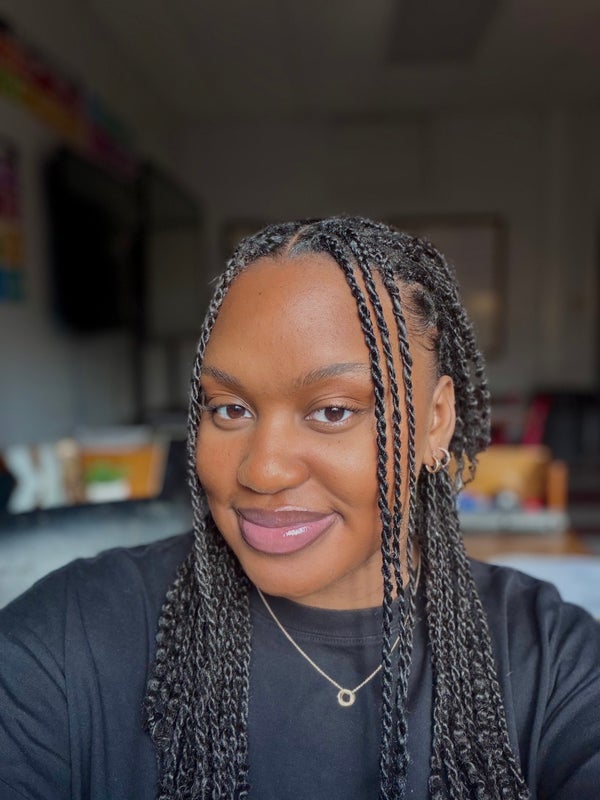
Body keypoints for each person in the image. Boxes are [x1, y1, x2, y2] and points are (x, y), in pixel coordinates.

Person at [1, 216, 599, 800]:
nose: (263, 471)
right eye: (229, 408)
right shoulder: (65, 639)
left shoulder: (553, 662)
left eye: (333, 411)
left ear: (436, 421)